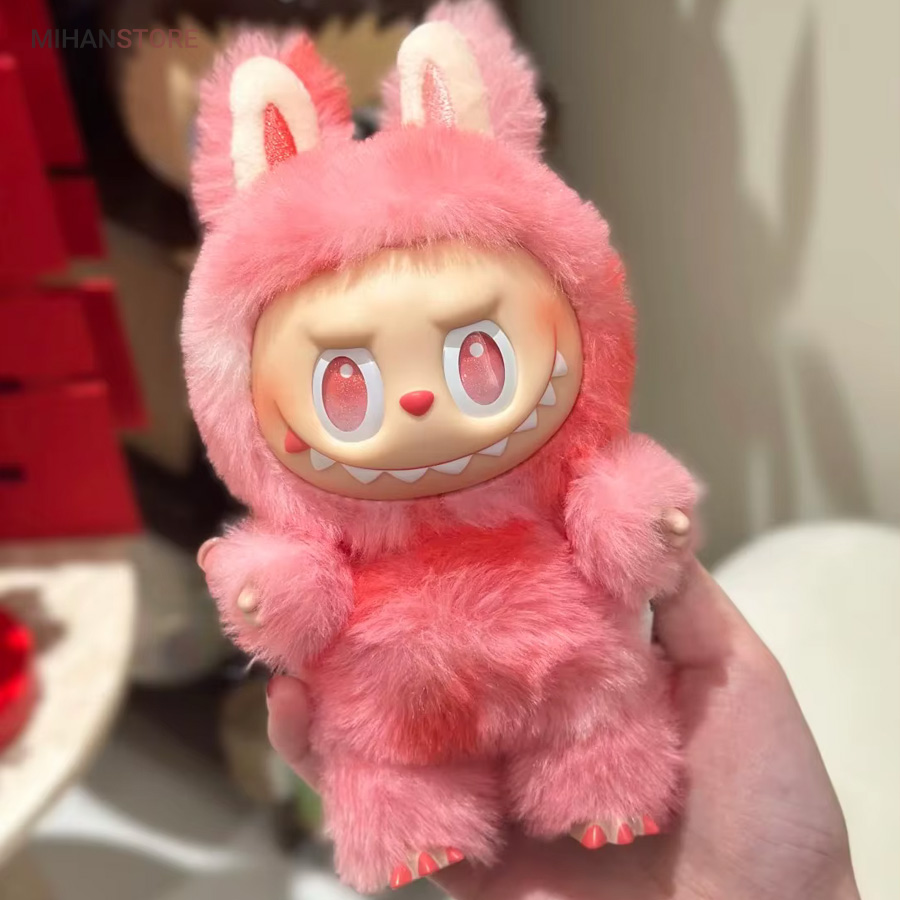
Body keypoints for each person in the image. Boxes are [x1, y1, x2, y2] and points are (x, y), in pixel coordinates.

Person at [266, 560, 861, 900]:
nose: (419, 400)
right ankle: (411, 818)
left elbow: (614, 498)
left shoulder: (561, 468)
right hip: (396, 694)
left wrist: (633, 515)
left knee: (594, 711)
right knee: (381, 750)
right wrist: (273, 586)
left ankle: (602, 791)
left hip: (563, 667)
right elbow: (283, 578)